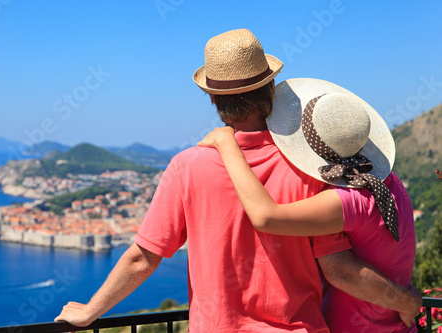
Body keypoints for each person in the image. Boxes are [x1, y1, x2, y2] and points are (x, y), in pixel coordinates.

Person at [55, 29, 420, 332]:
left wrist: (91, 311)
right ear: (272, 90)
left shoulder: (188, 166)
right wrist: (404, 301)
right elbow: (337, 265)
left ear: (212, 97)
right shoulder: (311, 170)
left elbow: (143, 259)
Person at [198, 77, 421, 332]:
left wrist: (227, 143)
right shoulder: (390, 183)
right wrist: (405, 300)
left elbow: (266, 217)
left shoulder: (343, 200)